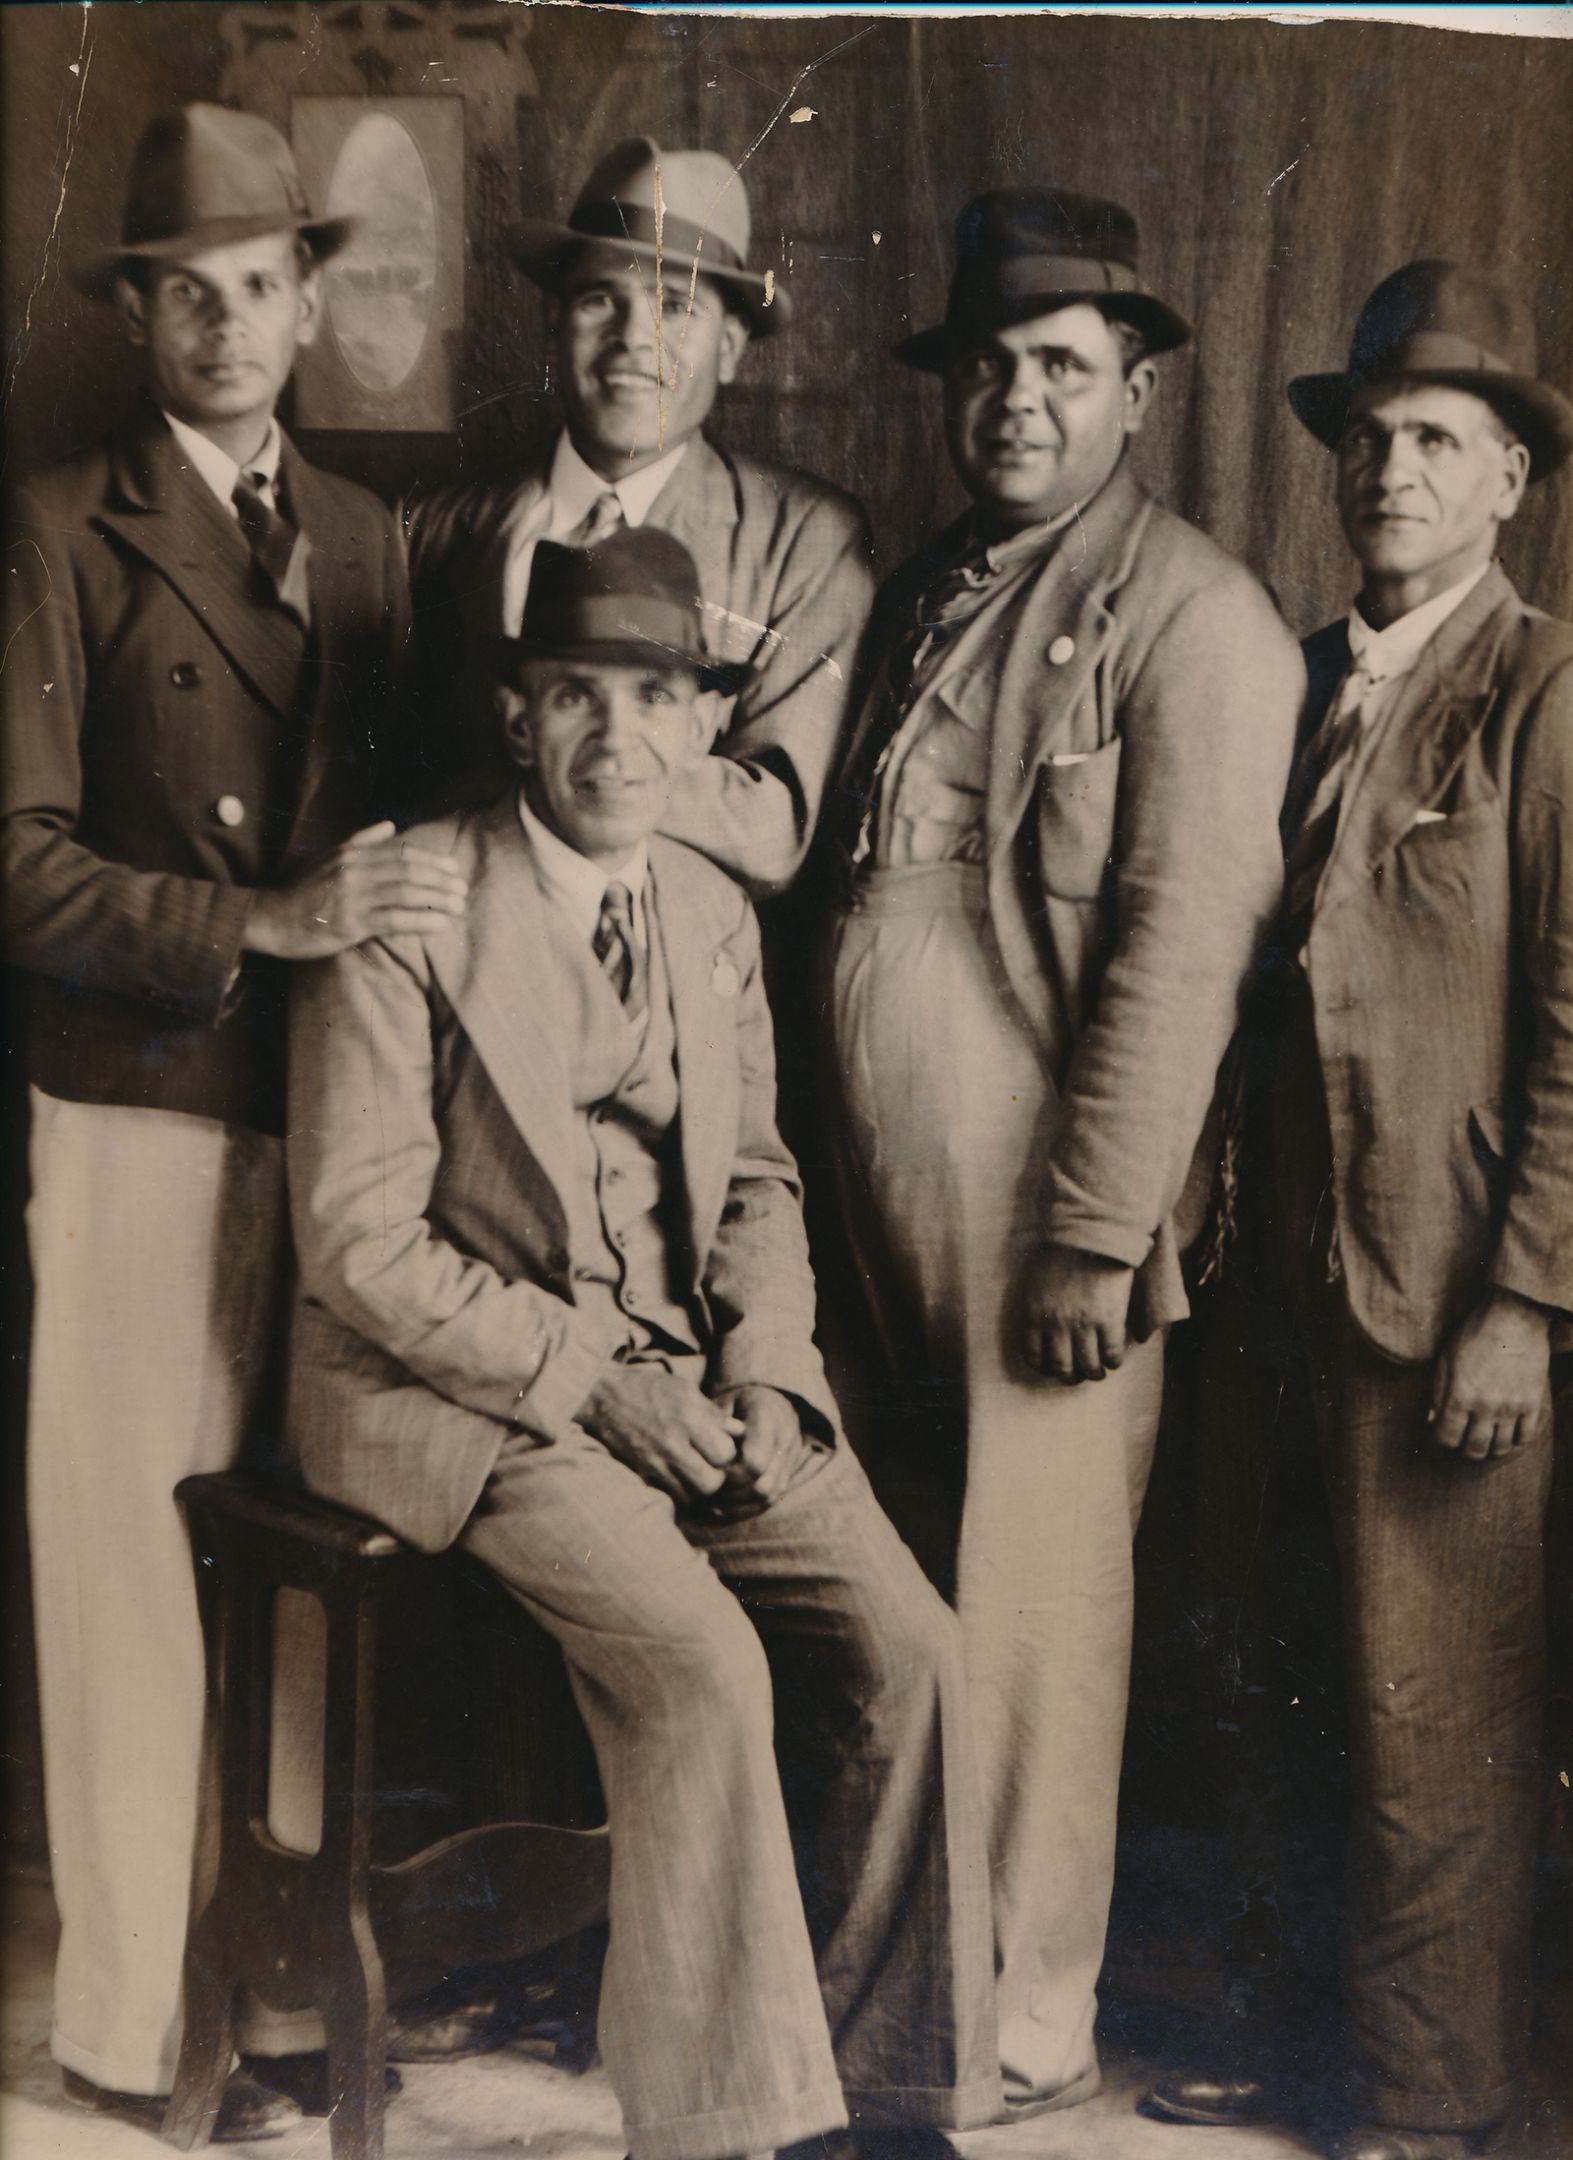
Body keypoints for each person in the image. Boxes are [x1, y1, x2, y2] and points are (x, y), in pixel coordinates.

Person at [282, 526, 1002, 2160]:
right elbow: (360, 1245)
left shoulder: (705, 908)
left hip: (693, 1380)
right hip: (472, 1391)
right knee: (701, 1671)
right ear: (516, 714)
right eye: (577, 697)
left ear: (697, 727)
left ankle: (879, 2101)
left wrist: (758, 1370)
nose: (618, 736)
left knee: (916, 1652)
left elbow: (753, 1173)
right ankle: (722, 2130)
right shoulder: (410, 899)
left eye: (655, 699)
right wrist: (599, 1380)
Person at [0, 105, 467, 2138]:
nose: (221, 324)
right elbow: (13, 867)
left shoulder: (366, 539)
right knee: (120, 1563)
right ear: (140, 313)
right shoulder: (52, 525)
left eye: (257, 286)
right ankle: (122, 2022)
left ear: (305, 300)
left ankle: (277, 2010)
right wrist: (254, 920)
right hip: (138, 1110)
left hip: (329, 1129)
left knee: (298, 1570)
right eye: (182, 291)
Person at [823, 186, 1304, 2118]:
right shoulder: (934, 577)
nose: (1013, 401)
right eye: (988, 368)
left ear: (1136, 389)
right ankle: (904, 1988)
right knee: (904, 1592)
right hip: (875, 1186)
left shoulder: (1196, 613)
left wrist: (1095, 1236)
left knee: (1032, 1608)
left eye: (1057, 368)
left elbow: (1183, 948)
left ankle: (1024, 2016)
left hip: (1040, 1191)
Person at [1145, 261, 1573, 2160]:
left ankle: (1418, 2099)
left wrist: (1529, 1299)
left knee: (1434, 1720)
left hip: (1443, 1284)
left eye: (1436, 441)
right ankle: (1292, 2032)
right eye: (1370, 436)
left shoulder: (1544, 689)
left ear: (1508, 482)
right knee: (1267, 1676)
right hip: (1265, 1275)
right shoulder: (1300, 678)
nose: (1391, 466)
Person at [400, 135, 873, 900]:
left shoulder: (801, 541)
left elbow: (770, 824)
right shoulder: (434, 529)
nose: (632, 336)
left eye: (675, 304)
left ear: (728, 349)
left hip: (687, 985)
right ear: (553, 329)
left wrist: (543, 760)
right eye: (599, 299)